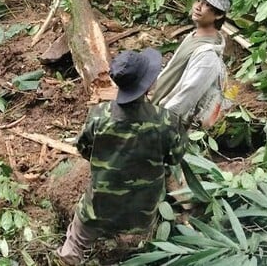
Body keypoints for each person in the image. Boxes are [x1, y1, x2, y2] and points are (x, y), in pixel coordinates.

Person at [56, 48, 185, 265]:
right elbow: (174, 159)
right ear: (148, 84)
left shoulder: (99, 115)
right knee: (137, 246)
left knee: (75, 241)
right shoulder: (167, 121)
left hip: (98, 208)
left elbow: (84, 148)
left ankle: (69, 257)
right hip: (142, 214)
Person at [151, 0, 232, 128]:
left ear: (219, 15)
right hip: (156, 109)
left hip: (167, 123)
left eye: (207, 5)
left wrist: (160, 124)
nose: (198, 6)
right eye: (199, 0)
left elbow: (186, 96)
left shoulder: (208, 56)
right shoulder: (193, 36)